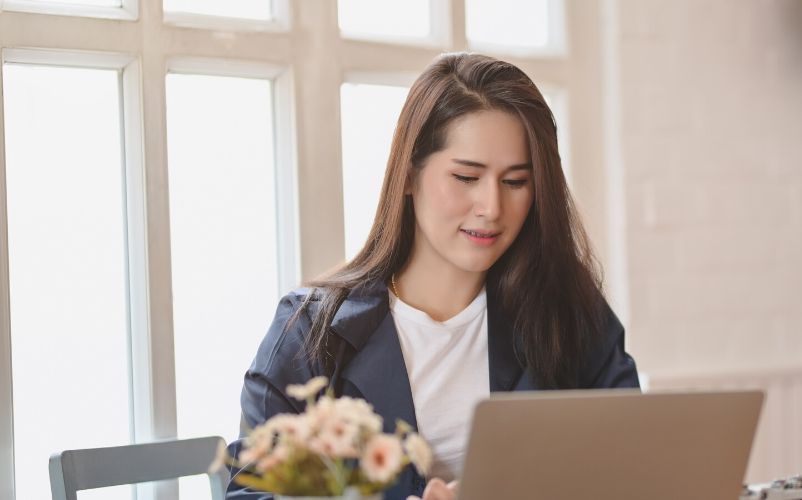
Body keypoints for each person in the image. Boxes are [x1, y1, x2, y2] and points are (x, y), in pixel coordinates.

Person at [226, 52, 640, 500]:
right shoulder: (310, 330)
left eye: (516, 182)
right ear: (408, 176)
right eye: (466, 177)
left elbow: (636, 465)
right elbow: (252, 493)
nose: (492, 207)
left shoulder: (569, 313)